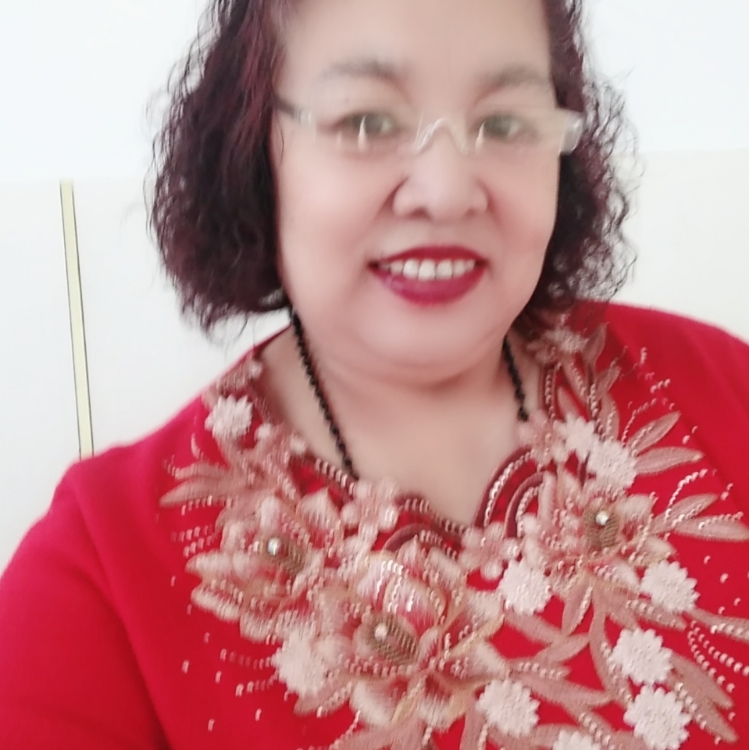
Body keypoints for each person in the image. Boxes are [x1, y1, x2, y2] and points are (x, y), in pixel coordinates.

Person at [1, 0, 749, 748]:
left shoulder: (713, 384)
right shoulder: (100, 580)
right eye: (366, 123)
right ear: (254, 148)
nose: (446, 191)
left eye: (502, 124)